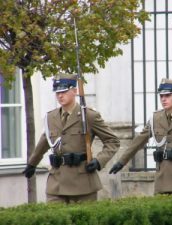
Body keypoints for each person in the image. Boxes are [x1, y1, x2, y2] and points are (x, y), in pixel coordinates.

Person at [22, 73, 120, 203]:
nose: (60, 95)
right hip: (56, 184)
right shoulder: (51, 117)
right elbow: (45, 141)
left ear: (74, 91)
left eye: (64, 91)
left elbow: (112, 141)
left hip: (82, 183)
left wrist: (99, 161)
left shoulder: (89, 116)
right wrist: (32, 164)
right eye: (57, 92)